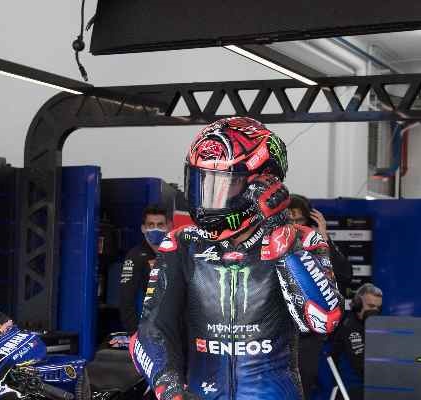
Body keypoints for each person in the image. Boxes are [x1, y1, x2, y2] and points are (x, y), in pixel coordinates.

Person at [130, 117, 343, 400]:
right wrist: (170, 389)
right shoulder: (182, 243)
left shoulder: (303, 240)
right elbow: (149, 332)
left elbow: (323, 320)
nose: (207, 195)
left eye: (221, 183)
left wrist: (282, 240)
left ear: (262, 185)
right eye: (201, 181)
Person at [288, 194, 354, 399]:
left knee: (304, 384)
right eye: (289, 220)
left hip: (308, 332)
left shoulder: (317, 244)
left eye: (298, 220)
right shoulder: (271, 242)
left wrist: (324, 238)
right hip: (277, 328)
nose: (294, 225)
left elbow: (345, 275)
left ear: (309, 220)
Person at [118, 205, 172, 333]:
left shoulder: (174, 254)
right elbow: (126, 299)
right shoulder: (135, 256)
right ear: (143, 228)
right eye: (151, 225)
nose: (155, 229)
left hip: (171, 330)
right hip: (147, 330)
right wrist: (134, 333)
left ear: (168, 227)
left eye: (160, 225)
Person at [331, 283, 383, 400]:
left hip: (374, 384)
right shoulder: (349, 326)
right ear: (358, 304)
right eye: (370, 306)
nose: (374, 311)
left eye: (377, 308)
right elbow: (361, 364)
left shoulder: (378, 327)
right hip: (354, 386)